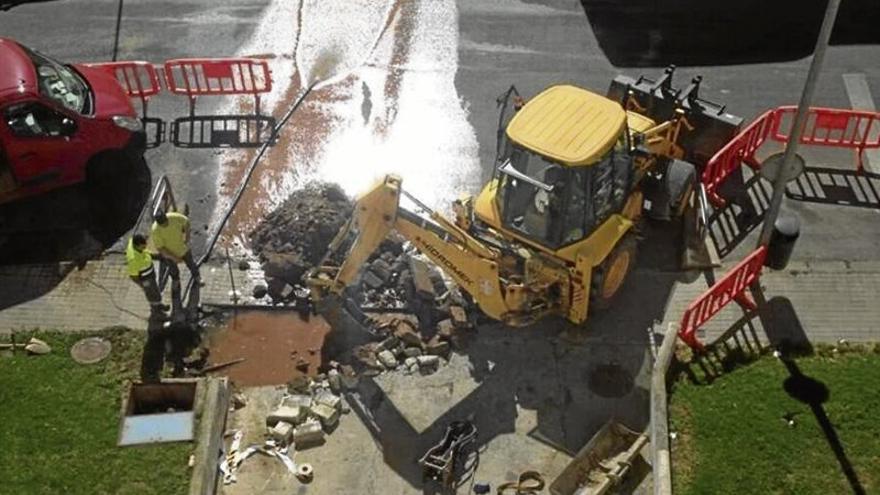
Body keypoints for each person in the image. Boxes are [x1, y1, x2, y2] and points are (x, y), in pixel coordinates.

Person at [150, 208, 200, 284]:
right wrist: (174, 257)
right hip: (169, 253)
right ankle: (176, 280)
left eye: (166, 222)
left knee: (191, 263)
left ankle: (197, 276)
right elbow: (161, 249)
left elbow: (186, 222)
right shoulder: (155, 231)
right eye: (163, 224)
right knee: (173, 269)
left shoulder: (174, 217)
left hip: (183, 248)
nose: (165, 225)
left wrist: (187, 237)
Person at [125, 234, 168, 315]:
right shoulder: (134, 260)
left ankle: (159, 304)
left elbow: (145, 251)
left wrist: (156, 256)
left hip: (150, 274)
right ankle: (156, 312)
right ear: (137, 246)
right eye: (142, 246)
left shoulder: (134, 243)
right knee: (151, 294)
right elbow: (133, 276)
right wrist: (143, 285)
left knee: (156, 291)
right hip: (145, 279)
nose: (145, 247)